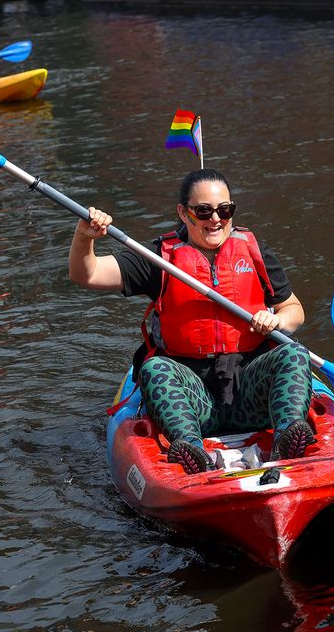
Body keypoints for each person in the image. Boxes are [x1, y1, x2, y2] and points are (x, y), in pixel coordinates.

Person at [68, 168, 316, 474]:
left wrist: (278, 321)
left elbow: (294, 309)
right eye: (204, 211)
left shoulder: (254, 252)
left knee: (294, 353)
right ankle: (191, 450)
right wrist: (84, 237)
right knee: (154, 368)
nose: (216, 219)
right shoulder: (159, 259)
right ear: (184, 214)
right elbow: (86, 273)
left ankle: (286, 439)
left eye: (225, 210)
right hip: (195, 400)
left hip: (251, 394)